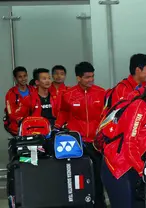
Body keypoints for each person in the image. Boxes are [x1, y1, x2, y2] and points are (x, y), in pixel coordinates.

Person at [101, 70, 146, 208]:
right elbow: (129, 143)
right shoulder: (140, 106)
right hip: (118, 167)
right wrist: (144, 170)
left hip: (135, 166)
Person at [55, 61, 106, 208]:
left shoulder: (101, 93)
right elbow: (63, 112)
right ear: (78, 78)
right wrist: (57, 127)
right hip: (78, 143)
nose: (91, 80)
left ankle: (99, 204)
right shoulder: (68, 95)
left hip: (97, 144)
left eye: (92, 77)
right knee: (78, 176)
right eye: (87, 77)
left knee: (97, 177)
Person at [4, 66, 35, 136]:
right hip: (17, 127)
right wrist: (21, 121)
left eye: (25, 76)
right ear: (15, 79)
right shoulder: (10, 93)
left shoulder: (33, 90)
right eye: (20, 77)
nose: (23, 79)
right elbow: (10, 112)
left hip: (32, 125)